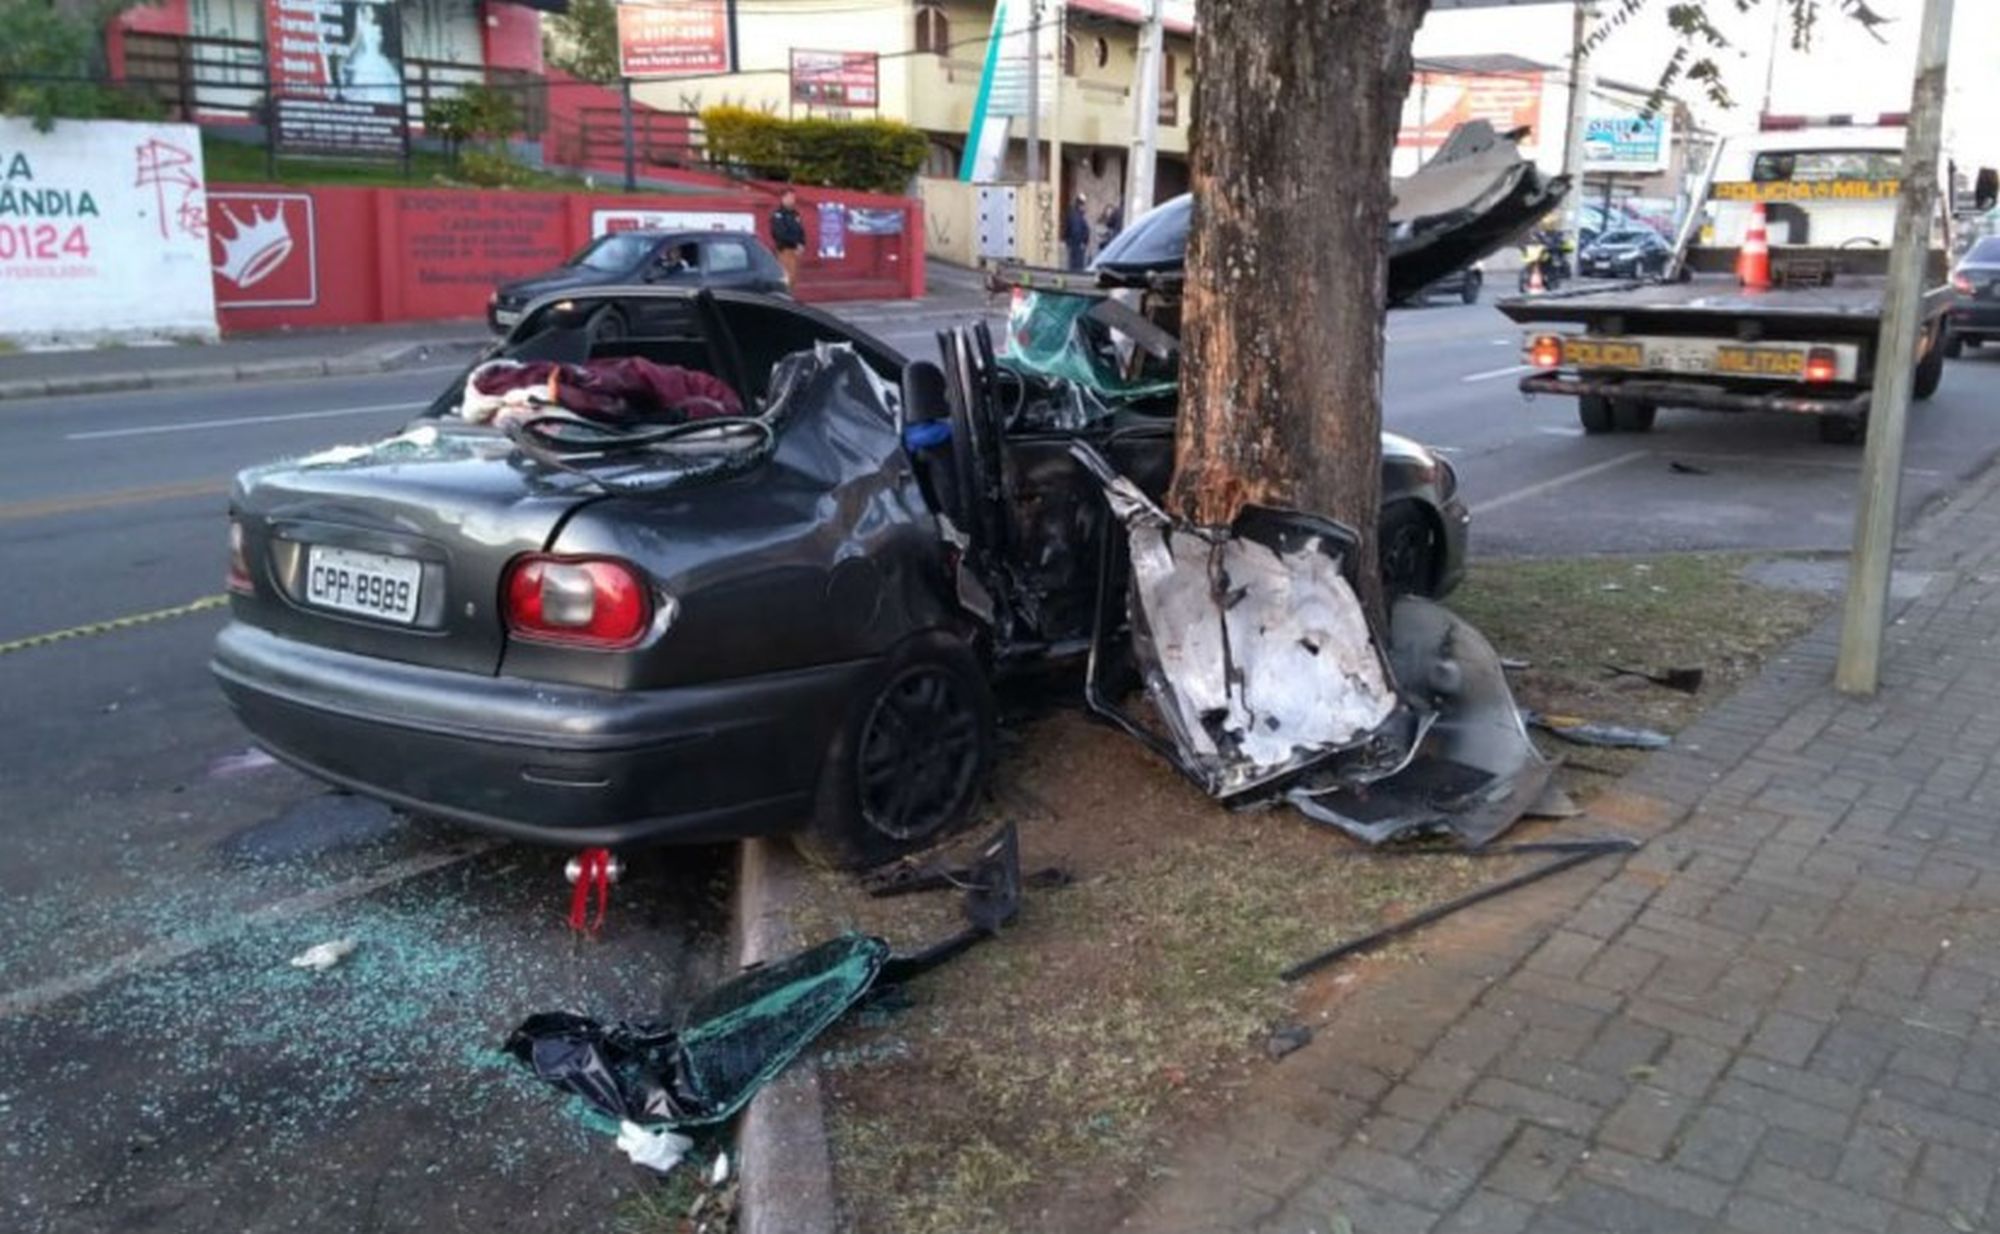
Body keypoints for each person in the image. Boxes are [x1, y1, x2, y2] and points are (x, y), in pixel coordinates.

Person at [770, 190, 806, 286]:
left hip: (794, 251)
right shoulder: (778, 214)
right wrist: (796, 243)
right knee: (785, 279)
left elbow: (801, 230)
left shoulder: (795, 214)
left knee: (793, 279)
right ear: (783, 199)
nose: (792, 200)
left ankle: (789, 298)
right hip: (784, 250)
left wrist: (802, 243)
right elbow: (780, 234)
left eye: (793, 198)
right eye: (789, 198)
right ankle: (784, 299)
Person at [1063, 194, 1091, 272]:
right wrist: (1082, 242)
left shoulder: (1076, 215)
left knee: (1073, 266)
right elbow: (1076, 231)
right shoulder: (1076, 216)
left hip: (1074, 245)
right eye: (1084, 205)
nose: (1085, 207)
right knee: (1077, 268)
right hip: (1077, 246)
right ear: (1080, 205)